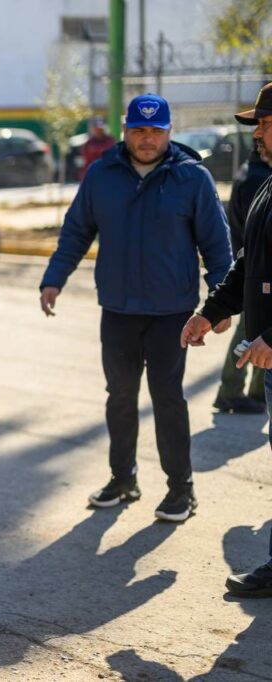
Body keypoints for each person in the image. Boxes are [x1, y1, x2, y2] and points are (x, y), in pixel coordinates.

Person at [39, 93, 232, 523]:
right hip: (119, 309)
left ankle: (181, 490)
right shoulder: (101, 174)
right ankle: (122, 478)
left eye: (156, 130)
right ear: (125, 130)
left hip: (172, 312)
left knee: (168, 400)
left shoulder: (191, 178)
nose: (147, 139)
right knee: (120, 397)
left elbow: (217, 246)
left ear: (169, 133)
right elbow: (76, 231)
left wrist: (220, 304)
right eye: (139, 130)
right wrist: (54, 278)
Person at [181, 82, 272, 597]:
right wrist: (210, 312)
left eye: (264, 124)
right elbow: (248, 265)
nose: (256, 133)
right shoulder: (267, 185)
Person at [212, 141, 272, 414]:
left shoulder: (253, 174)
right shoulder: (259, 179)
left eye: (265, 125)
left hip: (256, 280)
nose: (258, 132)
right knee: (251, 335)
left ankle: (250, 391)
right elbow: (256, 247)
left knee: (255, 335)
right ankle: (232, 390)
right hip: (256, 281)